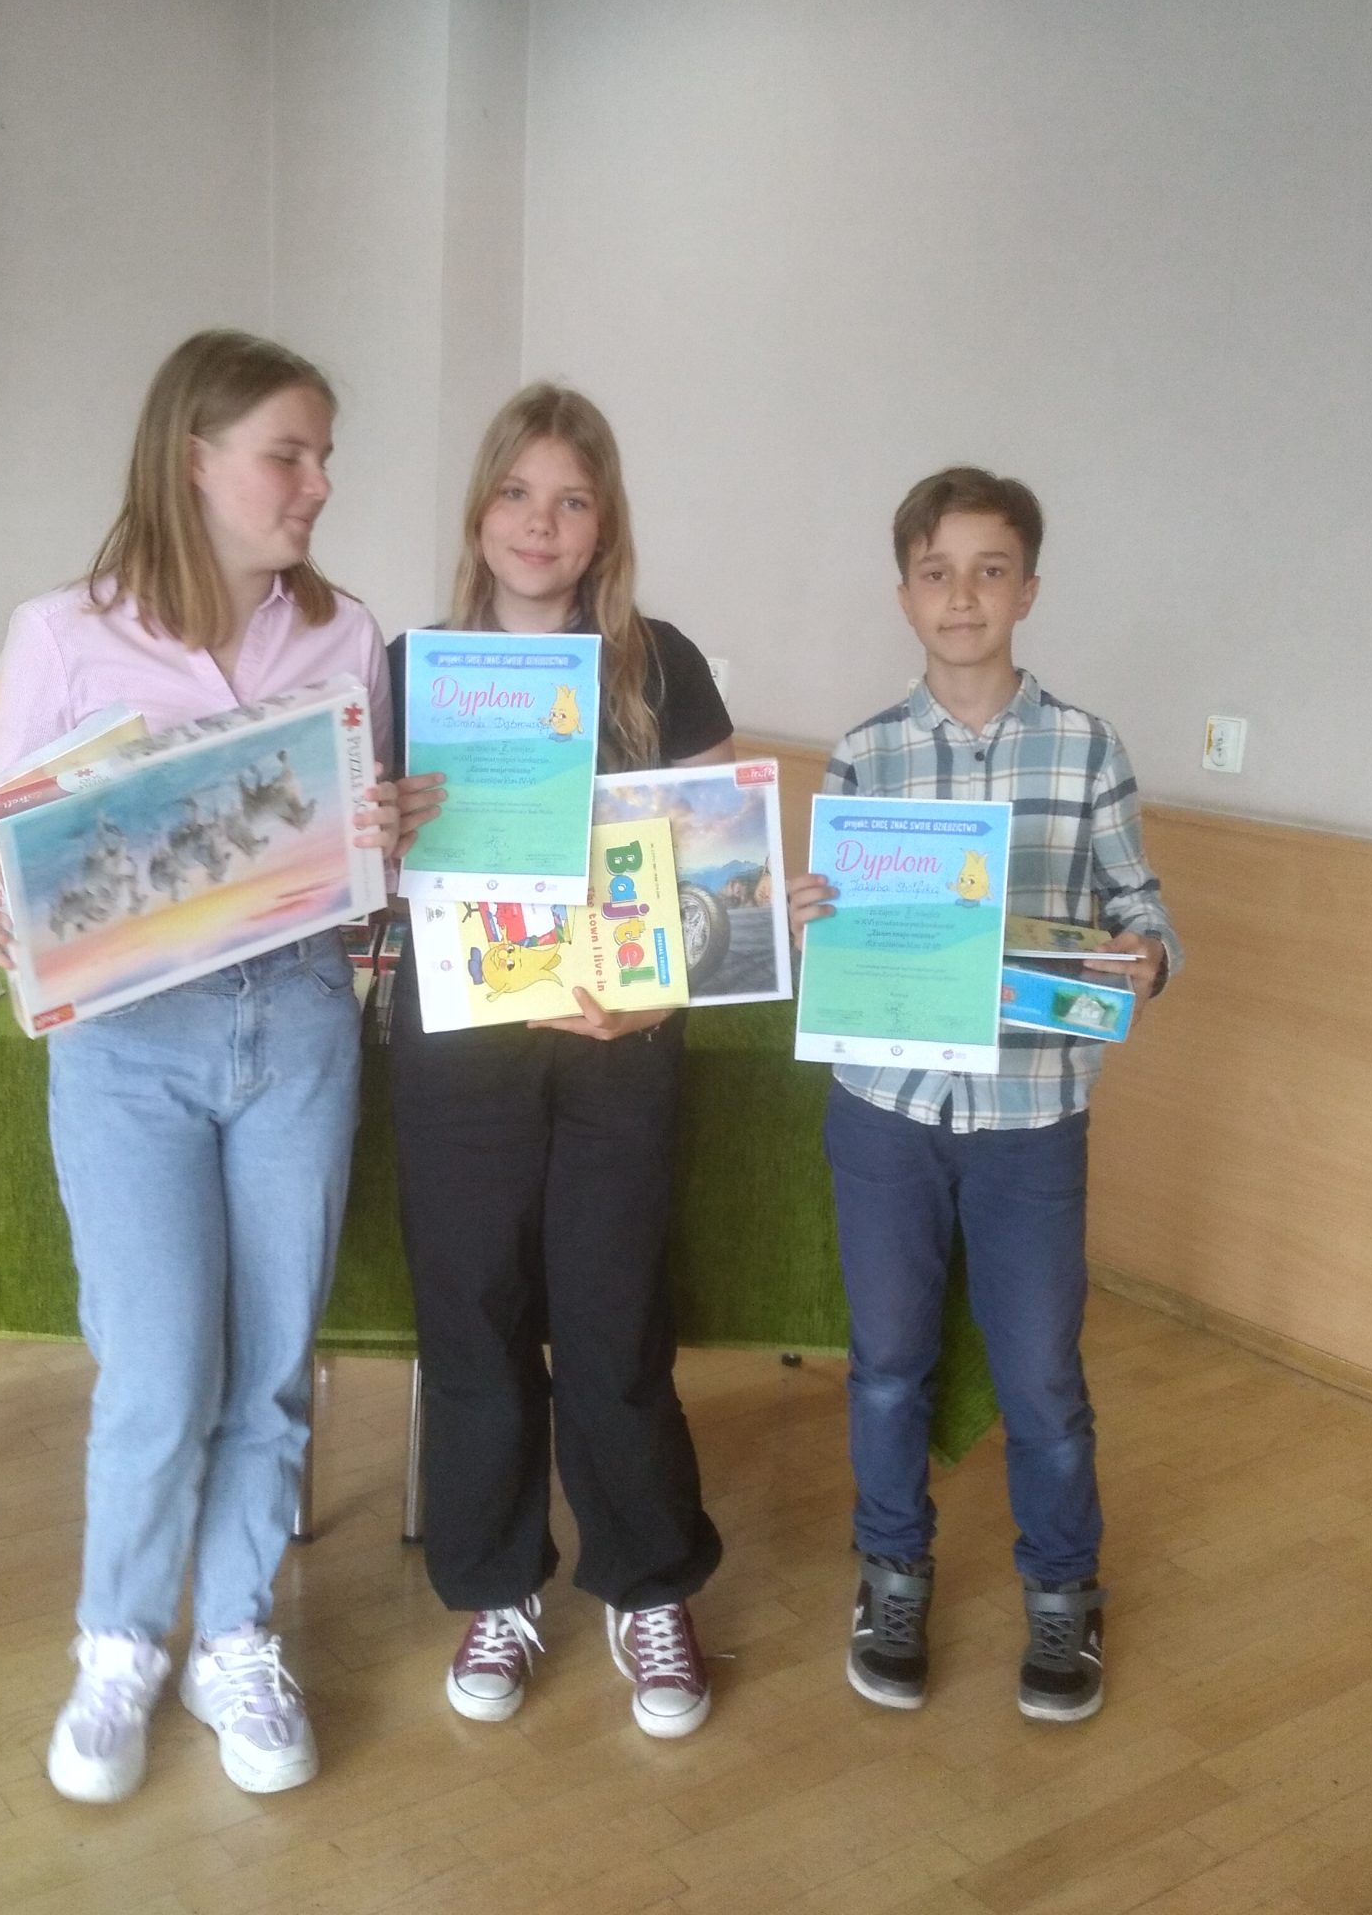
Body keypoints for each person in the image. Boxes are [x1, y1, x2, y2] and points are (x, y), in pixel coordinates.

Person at [0, 329, 401, 1803]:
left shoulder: (346, 637)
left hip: (301, 1023)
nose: (318, 483)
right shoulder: (60, 636)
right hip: (130, 1046)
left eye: (324, 455)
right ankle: (121, 1647)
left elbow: (367, 874)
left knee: (271, 1369)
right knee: (156, 1370)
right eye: (289, 454)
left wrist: (392, 834)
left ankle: (236, 1639)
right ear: (194, 460)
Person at [785, 466, 1179, 1723]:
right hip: (885, 1111)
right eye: (937, 572)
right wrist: (806, 918)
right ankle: (892, 1574)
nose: (962, 596)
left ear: (1028, 590)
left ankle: (1063, 1592)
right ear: (905, 593)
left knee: (1041, 1379)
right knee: (886, 1366)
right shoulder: (865, 754)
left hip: (1029, 1120)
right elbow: (835, 935)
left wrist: (1147, 953)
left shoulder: (1086, 748)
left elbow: (1136, 903)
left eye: (989, 570)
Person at [382, 385, 730, 1737]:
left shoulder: (662, 665)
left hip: (616, 1048)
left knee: (613, 1318)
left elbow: (716, 878)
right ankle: (496, 1588)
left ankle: (648, 1584)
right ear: (480, 509)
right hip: (458, 1047)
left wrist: (651, 1002)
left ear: (605, 523)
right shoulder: (408, 673)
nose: (541, 522)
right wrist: (382, 829)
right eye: (518, 493)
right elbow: (360, 866)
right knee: (470, 1320)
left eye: (572, 499)